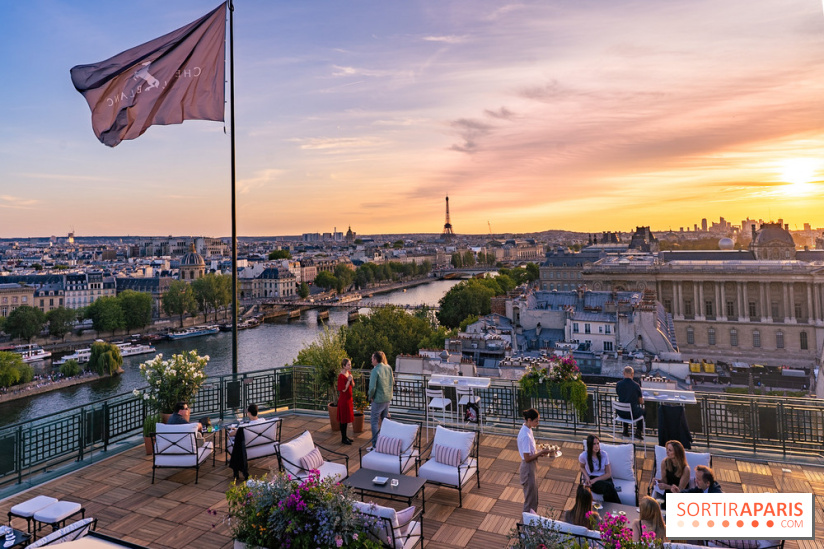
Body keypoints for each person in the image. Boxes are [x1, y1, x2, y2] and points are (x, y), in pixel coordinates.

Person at [518, 408, 551, 513]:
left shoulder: (528, 430)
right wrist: (541, 453)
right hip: (528, 469)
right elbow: (527, 458)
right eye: (536, 421)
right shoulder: (525, 436)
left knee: (534, 499)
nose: (538, 423)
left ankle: (531, 524)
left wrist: (540, 451)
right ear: (529, 420)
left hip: (531, 467)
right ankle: (525, 526)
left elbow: (531, 451)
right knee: (530, 501)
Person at [578, 435, 621, 503]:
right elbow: (582, 467)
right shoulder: (583, 456)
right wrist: (587, 478)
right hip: (593, 479)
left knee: (609, 487)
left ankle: (608, 509)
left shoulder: (604, 455)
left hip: (604, 478)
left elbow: (608, 474)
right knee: (609, 487)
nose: (596, 446)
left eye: (598, 443)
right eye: (594, 444)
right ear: (589, 445)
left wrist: (595, 480)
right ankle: (619, 508)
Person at [368, 351, 394, 448]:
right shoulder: (389, 368)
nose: (371, 360)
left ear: (375, 359)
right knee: (385, 421)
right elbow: (392, 382)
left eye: (372, 358)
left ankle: (375, 445)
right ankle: (385, 443)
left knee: (374, 422)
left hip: (378, 399)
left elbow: (372, 388)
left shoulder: (375, 370)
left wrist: (370, 396)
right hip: (387, 398)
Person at [654, 440, 690, 507]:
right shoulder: (665, 462)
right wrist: (658, 481)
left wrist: (667, 487)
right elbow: (665, 481)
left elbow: (680, 490)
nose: (667, 452)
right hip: (667, 492)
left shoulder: (685, 469)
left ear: (677, 453)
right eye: (667, 449)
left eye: (670, 450)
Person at [615, 366, 645, 439]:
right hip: (632, 414)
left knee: (626, 406)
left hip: (620, 413)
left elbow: (619, 395)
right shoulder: (636, 386)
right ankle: (638, 431)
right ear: (632, 374)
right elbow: (641, 402)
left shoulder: (618, 384)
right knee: (643, 411)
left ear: (623, 373)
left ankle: (625, 430)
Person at [337, 358, 355, 445]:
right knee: (343, 420)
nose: (350, 366)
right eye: (348, 365)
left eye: (350, 364)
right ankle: (343, 438)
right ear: (344, 366)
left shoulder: (349, 373)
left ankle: (346, 436)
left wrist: (351, 379)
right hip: (343, 400)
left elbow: (353, 385)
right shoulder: (341, 376)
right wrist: (348, 380)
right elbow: (343, 389)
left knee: (347, 419)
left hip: (349, 399)